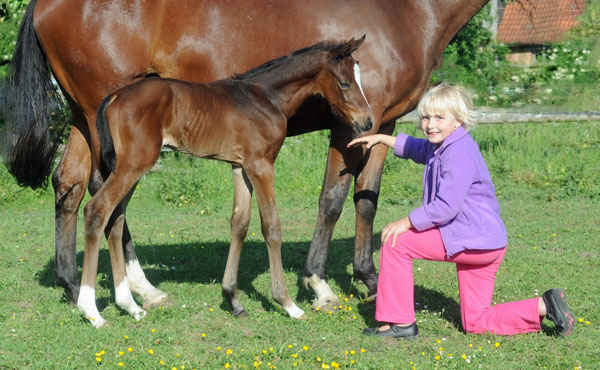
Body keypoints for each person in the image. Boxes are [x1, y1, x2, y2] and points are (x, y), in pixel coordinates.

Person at [347, 84, 574, 339]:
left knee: (397, 243)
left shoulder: (458, 154)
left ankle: (400, 323)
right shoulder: (444, 145)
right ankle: (546, 305)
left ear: (458, 121)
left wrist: (407, 222)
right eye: (426, 117)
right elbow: (415, 148)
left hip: (471, 240)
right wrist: (380, 139)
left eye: (439, 118)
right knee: (475, 322)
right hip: (486, 244)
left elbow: (446, 207)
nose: (430, 124)